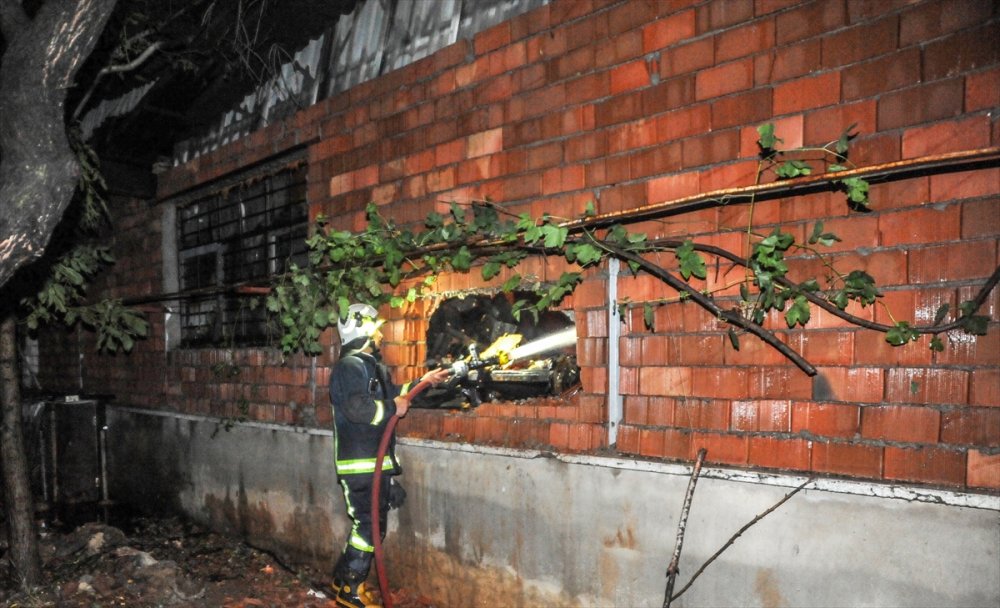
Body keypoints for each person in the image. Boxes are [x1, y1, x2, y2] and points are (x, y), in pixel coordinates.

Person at [328, 303, 451, 608]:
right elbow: (358, 410)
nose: (382, 333)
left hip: (374, 465)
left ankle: (342, 578)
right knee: (369, 528)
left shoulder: (369, 367)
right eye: (377, 327)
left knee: (367, 526)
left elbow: (395, 395)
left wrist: (425, 382)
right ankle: (350, 590)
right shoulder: (350, 366)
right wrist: (391, 406)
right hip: (360, 466)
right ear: (364, 331)